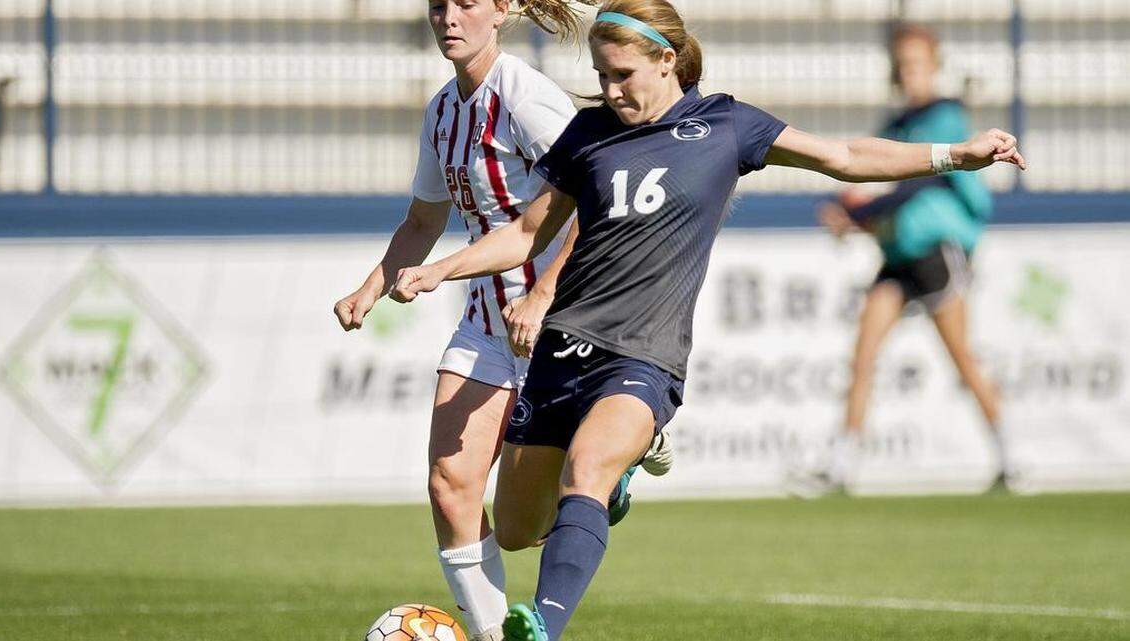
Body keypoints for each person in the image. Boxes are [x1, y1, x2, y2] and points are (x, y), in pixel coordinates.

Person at [389, 2, 1025, 639]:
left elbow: (843, 154)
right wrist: (440, 270)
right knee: (522, 526)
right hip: (562, 348)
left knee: (587, 467)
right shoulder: (588, 132)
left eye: (624, 75)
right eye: (602, 76)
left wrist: (954, 156)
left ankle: (545, 626)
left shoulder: (725, 124)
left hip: (644, 353)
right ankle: (614, 488)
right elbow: (528, 233)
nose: (611, 91)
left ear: (667, 61)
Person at [332, 3, 670, 640]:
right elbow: (424, 220)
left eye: (466, 4)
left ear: (504, 10)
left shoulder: (527, 97)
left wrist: (538, 295)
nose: (449, 18)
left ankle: (610, 463)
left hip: (561, 327)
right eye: (439, 5)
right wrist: (371, 286)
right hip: (488, 325)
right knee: (449, 486)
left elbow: (598, 199)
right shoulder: (442, 110)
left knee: (528, 525)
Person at [814, 23, 1011, 492]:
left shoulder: (946, 117)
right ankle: (842, 465)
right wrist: (850, 215)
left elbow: (918, 184)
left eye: (919, 64)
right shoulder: (896, 126)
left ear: (935, 67)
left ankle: (1011, 455)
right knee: (863, 354)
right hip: (898, 253)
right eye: (903, 66)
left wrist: (865, 209)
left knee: (961, 356)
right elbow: (878, 179)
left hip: (935, 251)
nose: (910, 74)